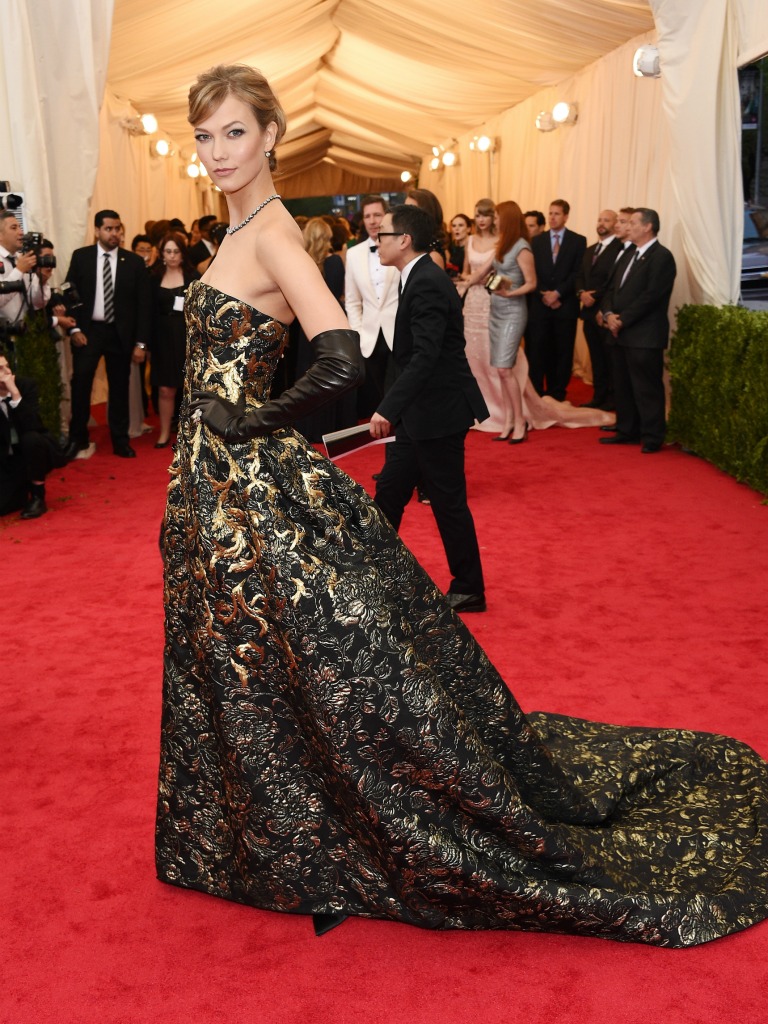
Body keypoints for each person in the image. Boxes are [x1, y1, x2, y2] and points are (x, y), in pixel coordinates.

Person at [158, 63, 768, 948]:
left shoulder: (275, 233)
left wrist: (249, 418)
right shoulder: (236, 228)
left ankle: (311, 838)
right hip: (207, 483)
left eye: (234, 133)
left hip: (243, 480)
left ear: (271, 135)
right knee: (244, 654)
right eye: (204, 135)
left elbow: (340, 357)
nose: (217, 151)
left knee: (300, 654)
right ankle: (264, 832)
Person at [371, 203, 489, 612]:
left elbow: (425, 356)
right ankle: (375, 577)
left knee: (447, 502)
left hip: (438, 413)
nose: (377, 241)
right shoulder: (416, 276)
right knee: (389, 492)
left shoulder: (425, 281)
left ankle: (469, 587)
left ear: (404, 240)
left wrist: (388, 408)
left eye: (383, 234)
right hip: (420, 413)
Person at [63, 210, 152, 459]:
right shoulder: (81, 257)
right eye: (109, 229)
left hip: (120, 334)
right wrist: (74, 329)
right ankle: (77, 438)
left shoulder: (133, 262)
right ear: (97, 231)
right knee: (81, 384)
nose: (114, 234)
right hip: (88, 332)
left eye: (117, 229)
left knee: (119, 388)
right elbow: (69, 292)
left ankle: (120, 440)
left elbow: (144, 306)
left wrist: (141, 343)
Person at [599, 207, 677, 453]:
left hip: (644, 335)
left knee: (646, 388)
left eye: (633, 223)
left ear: (647, 227)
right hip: (619, 333)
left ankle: (652, 436)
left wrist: (622, 320)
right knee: (622, 386)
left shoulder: (662, 257)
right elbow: (611, 289)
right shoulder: (628, 253)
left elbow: (652, 296)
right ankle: (627, 431)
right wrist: (609, 315)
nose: (627, 227)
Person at [290, 216, 355, 441]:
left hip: (306, 325)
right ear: (325, 238)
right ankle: (334, 426)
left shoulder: (301, 263)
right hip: (330, 322)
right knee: (331, 372)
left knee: (309, 373)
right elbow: (337, 294)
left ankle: (308, 425)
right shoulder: (335, 262)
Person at [344, 194, 399, 418]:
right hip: (369, 337)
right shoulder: (353, 254)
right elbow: (352, 300)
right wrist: (358, 333)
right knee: (378, 397)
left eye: (377, 215)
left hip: (398, 333)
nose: (373, 221)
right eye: (367, 216)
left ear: (386, 216)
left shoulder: (400, 246)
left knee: (399, 392)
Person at [486, 201, 537, 443]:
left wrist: (510, 293)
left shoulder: (521, 247)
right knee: (500, 370)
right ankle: (508, 421)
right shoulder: (503, 243)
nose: (494, 221)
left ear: (506, 218)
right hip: (496, 311)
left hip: (513, 312)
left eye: (497, 217)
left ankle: (520, 421)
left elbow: (531, 283)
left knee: (505, 369)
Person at [527, 200, 587, 401]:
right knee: (537, 350)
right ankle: (536, 392)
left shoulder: (578, 241)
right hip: (540, 305)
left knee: (562, 351)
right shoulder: (537, 241)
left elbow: (577, 272)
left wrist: (558, 293)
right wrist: (545, 294)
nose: (552, 217)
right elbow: (532, 271)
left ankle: (558, 392)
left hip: (565, 305)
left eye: (557, 214)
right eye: (550, 213)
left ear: (566, 216)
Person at [149, 231, 200, 447]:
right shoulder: (153, 277)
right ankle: (163, 432)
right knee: (165, 388)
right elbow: (147, 310)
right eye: (168, 251)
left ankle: (188, 432)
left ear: (182, 253)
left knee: (189, 387)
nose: (171, 256)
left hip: (187, 335)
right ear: (161, 254)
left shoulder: (192, 276)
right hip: (161, 336)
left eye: (176, 251)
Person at [0, 352, 66, 519]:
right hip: (7, 459)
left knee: (31, 438)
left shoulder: (25, 385)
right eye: (0, 369)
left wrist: (15, 395)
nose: (7, 372)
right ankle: (21, 489)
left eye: (7, 366)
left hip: (33, 450)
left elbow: (34, 425)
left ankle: (38, 496)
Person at [457, 198, 504, 432]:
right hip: (472, 301)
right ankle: (479, 407)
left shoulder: (500, 240)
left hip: (492, 299)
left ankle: (501, 408)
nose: (481, 219)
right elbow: (465, 271)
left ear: (493, 217)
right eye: (478, 215)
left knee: (491, 353)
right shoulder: (470, 240)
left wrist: (486, 281)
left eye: (486, 215)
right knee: (472, 355)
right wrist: (469, 280)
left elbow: (504, 273)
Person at [575, 209, 623, 411]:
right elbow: (579, 275)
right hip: (587, 313)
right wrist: (581, 293)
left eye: (607, 220)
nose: (601, 223)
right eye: (599, 219)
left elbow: (613, 281)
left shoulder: (620, 249)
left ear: (615, 223)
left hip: (604, 312)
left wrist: (594, 296)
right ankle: (599, 396)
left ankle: (612, 398)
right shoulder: (590, 249)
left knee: (609, 358)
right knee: (596, 358)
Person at [404, 189, 448, 269]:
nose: (405, 215)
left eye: (411, 210)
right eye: (405, 210)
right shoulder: (412, 244)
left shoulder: (433, 256)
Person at [447, 213, 472, 277]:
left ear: (468, 229)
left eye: (460, 225)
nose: (456, 229)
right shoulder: (451, 246)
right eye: (454, 226)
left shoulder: (473, 246)